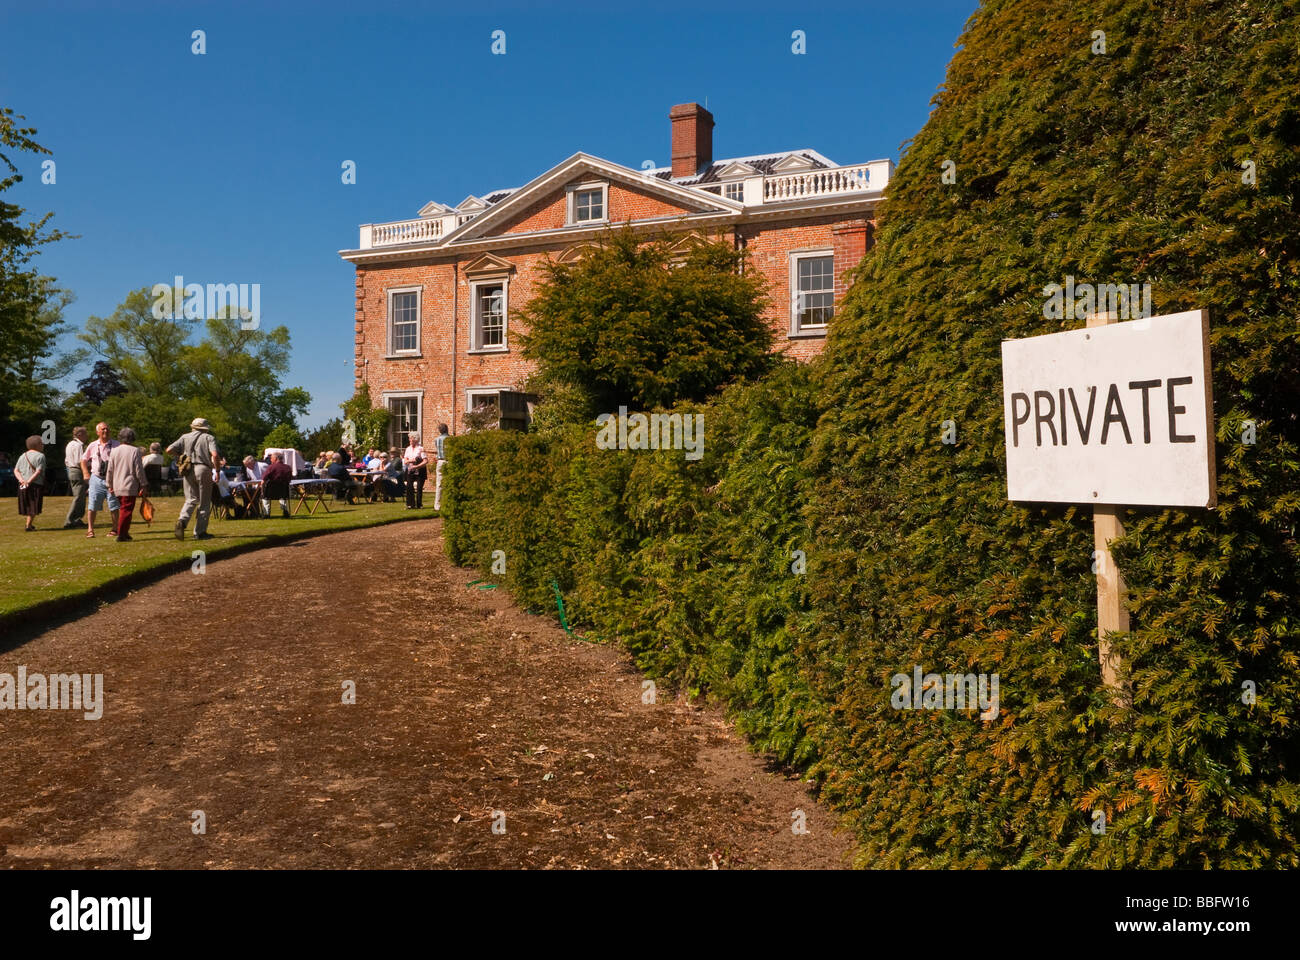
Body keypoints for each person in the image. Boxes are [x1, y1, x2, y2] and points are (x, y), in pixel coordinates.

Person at [167, 417, 222, 541]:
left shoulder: (184, 437)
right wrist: (217, 471)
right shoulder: (209, 437)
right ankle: (200, 532)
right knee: (204, 501)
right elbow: (215, 454)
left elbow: (169, 450)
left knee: (191, 499)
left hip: (188, 469)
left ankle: (182, 521)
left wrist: (181, 456)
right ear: (205, 428)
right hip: (203, 468)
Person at [106, 428, 148, 542]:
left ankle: (125, 532)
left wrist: (109, 484)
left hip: (117, 485)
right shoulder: (135, 451)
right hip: (129, 485)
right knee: (127, 510)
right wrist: (143, 484)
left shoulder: (114, 451)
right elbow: (139, 469)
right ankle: (122, 534)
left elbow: (110, 469)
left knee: (124, 510)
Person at [81, 421, 120, 539]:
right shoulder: (92, 445)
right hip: (96, 479)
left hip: (112, 479)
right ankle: (90, 530)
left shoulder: (117, 445)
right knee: (92, 505)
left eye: (107, 429)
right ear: (97, 432)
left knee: (114, 505)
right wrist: (85, 473)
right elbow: (83, 460)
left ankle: (115, 529)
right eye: (102, 429)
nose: (105, 431)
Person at [14, 436, 46, 532]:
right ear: (37, 445)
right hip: (35, 484)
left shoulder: (22, 455)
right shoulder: (41, 456)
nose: (43, 445)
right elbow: (38, 471)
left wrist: (22, 480)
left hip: (23, 484)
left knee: (28, 504)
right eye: (42, 443)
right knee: (33, 504)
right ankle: (28, 525)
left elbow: (16, 470)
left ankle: (29, 524)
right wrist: (29, 481)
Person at [63, 425, 88, 529]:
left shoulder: (70, 444)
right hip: (77, 470)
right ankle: (70, 521)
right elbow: (79, 461)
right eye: (85, 434)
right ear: (80, 435)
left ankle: (77, 519)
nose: (87, 436)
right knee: (78, 497)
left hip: (71, 470)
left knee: (80, 496)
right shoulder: (78, 446)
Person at [259, 452, 293, 517]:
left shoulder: (271, 467)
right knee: (282, 496)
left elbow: (264, 477)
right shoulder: (288, 467)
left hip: (270, 492)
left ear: (276, 458)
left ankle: (266, 513)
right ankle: (285, 509)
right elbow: (289, 479)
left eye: (271, 458)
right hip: (283, 492)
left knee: (264, 496)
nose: (271, 460)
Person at [402, 433, 427, 509]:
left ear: (416, 439)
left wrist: (417, 466)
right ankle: (410, 504)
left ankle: (419, 504)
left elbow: (425, 461)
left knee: (419, 488)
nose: (410, 440)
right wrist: (411, 461)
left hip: (420, 470)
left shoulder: (420, 449)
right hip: (410, 469)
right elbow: (405, 460)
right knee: (409, 486)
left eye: (411, 438)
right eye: (409, 438)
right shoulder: (408, 449)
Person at [433, 423, 449, 511]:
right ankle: (447, 503)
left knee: (439, 484)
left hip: (440, 461)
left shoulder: (437, 439)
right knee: (448, 482)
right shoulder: (449, 439)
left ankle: (437, 505)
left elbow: (437, 449)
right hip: (447, 460)